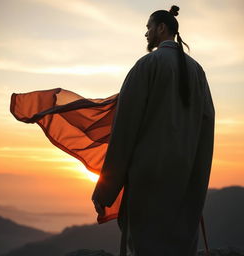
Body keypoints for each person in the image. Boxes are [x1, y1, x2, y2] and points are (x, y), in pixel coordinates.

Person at [91, 5, 215, 256]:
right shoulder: (197, 71)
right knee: (178, 240)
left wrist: (106, 188)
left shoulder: (147, 64)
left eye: (148, 28)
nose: (146, 34)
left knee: (145, 242)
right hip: (186, 173)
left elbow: (124, 128)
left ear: (161, 28)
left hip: (149, 173)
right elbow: (207, 126)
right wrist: (198, 173)